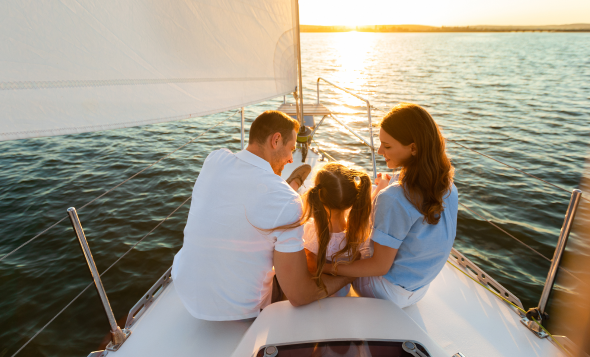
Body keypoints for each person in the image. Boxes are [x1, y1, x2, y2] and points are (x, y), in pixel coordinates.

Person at [172, 110, 352, 321]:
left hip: (185, 288)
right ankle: (291, 187)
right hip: (242, 309)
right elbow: (299, 295)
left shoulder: (215, 159)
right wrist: (347, 275)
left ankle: (291, 185)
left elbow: (243, 188)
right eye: (291, 149)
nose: (290, 159)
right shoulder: (287, 202)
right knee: (299, 262)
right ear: (275, 140)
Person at [324, 103, 458, 308]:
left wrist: (329, 268)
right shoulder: (447, 184)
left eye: (387, 146)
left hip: (385, 292)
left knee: (337, 235)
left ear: (413, 148)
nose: (379, 151)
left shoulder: (394, 198)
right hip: (418, 289)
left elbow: (379, 266)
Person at [273, 163, 372, 297]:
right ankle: (292, 187)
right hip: (342, 294)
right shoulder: (359, 232)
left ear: (318, 195)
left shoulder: (310, 230)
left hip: (315, 295)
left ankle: (292, 189)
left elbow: (307, 266)